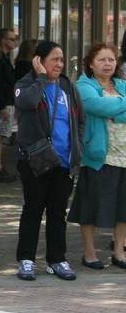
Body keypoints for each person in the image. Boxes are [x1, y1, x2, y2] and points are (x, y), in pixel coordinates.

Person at [14, 40, 84, 281]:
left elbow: (80, 120)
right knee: (33, 209)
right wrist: (41, 78)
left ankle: (57, 259)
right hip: (35, 159)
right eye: (54, 59)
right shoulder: (26, 84)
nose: (59, 64)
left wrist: (78, 148)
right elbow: (27, 102)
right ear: (39, 60)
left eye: (62, 60)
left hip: (64, 161)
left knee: (57, 212)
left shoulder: (68, 87)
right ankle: (26, 259)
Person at [67, 42, 126, 270]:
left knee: (123, 208)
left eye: (111, 59)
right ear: (90, 64)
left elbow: (108, 109)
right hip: (98, 155)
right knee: (90, 205)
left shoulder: (121, 85)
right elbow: (98, 106)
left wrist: (114, 111)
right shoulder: (84, 86)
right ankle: (89, 253)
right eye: (102, 59)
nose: (107, 63)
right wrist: (118, 107)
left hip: (123, 156)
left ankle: (119, 252)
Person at [0, 27, 19, 182]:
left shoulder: (4, 59)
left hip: (7, 101)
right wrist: (1, 106)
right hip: (3, 103)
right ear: (3, 41)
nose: (15, 42)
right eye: (12, 39)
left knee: (1, 136)